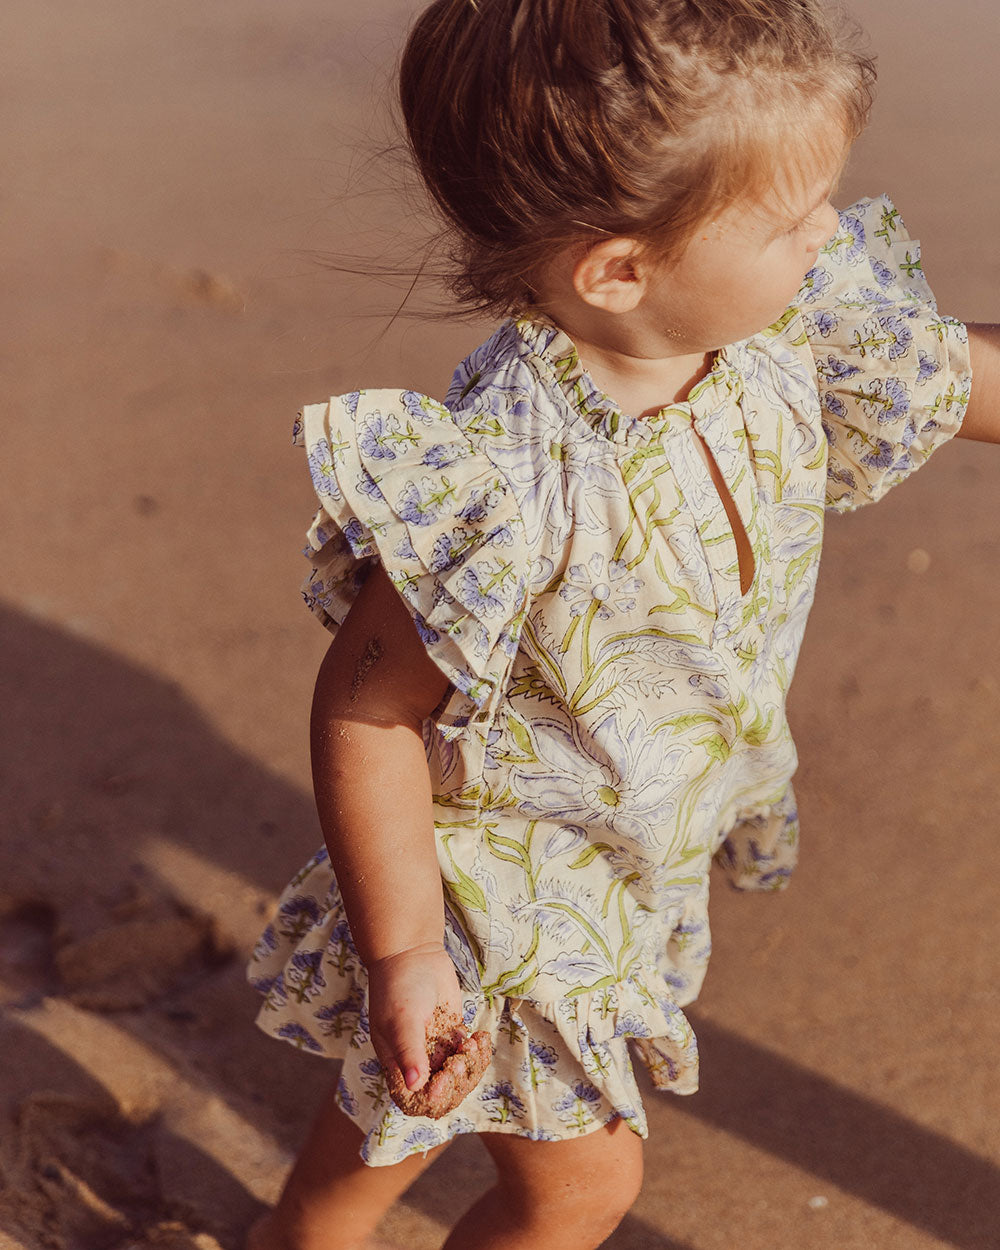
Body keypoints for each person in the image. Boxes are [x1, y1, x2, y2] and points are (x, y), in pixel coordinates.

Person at [247, 2, 1000, 1247]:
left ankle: (299, 1235)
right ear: (618, 269)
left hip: (643, 827)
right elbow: (369, 707)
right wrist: (406, 952)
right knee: (585, 1184)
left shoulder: (784, 331)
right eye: (789, 215)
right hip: (512, 875)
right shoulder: (510, 478)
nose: (829, 231)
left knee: (411, 1095)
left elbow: (956, 373)